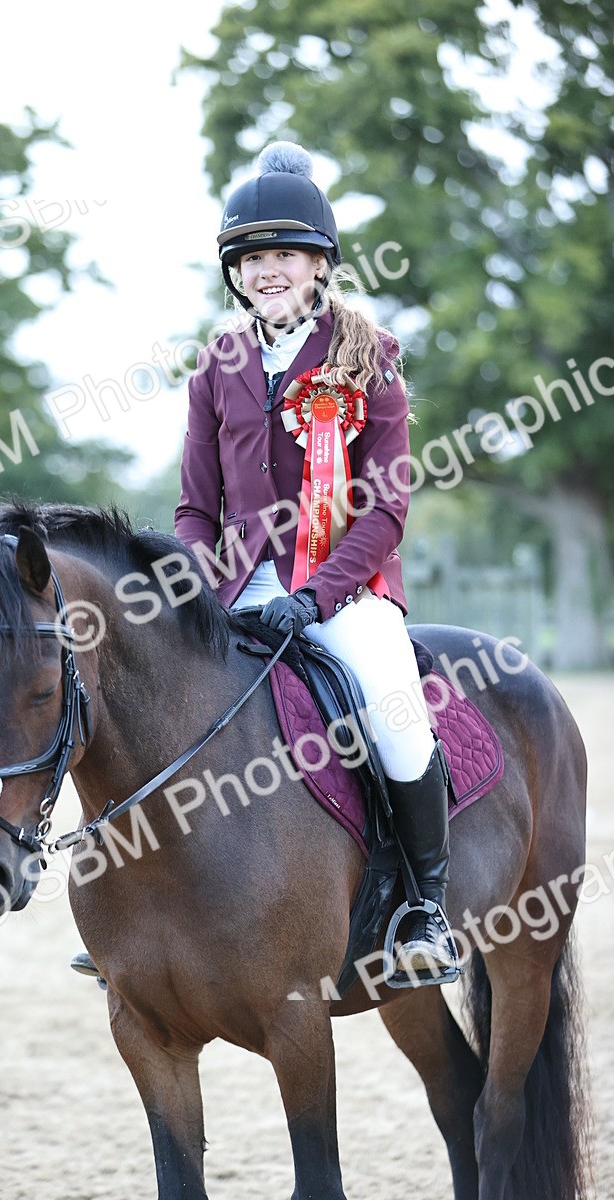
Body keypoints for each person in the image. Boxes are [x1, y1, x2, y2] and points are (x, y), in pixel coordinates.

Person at [173, 141, 457, 981]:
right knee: (149, 697)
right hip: (235, 585)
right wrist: (195, 583)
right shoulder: (215, 367)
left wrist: (318, 596)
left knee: (396, 713)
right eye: (252, 258)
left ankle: (425, 909)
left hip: (346, 584)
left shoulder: (368, 356)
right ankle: (146, 906)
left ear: (318, 264)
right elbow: (196, 506)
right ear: (235, 272)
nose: (268, 271)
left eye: (284, 255)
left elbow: (387, 506)